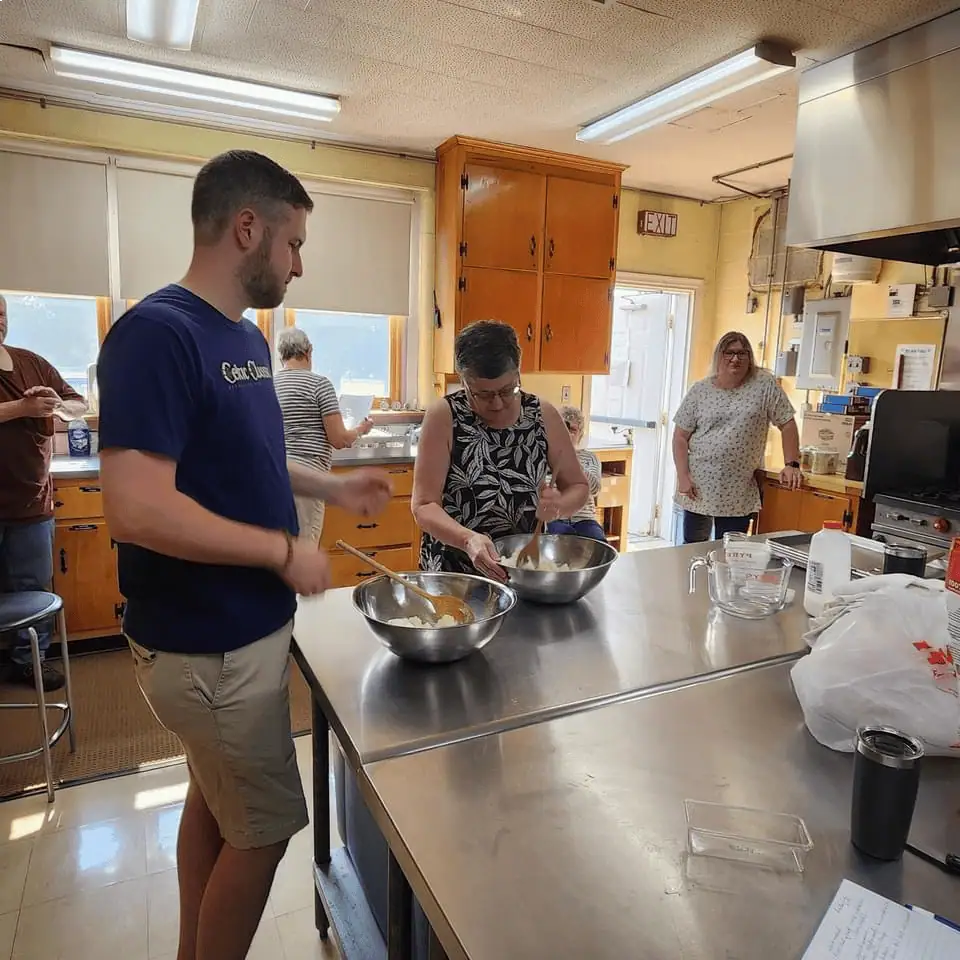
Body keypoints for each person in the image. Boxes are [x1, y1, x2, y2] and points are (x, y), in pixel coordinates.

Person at [97, 150, 392, 960]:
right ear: (247, 228)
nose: (299, 263)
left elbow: (248, 459)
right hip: (204, 646)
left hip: (241, 637)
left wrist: (331, 492)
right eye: (293, 243)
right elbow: (137, 508)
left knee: (214, 803)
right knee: (262, 834)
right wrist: (278, 550)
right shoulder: (156, 335)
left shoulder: (244, 340)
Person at [413, 320, 589, 580]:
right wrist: (467, 540)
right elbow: (424, 505)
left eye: (507, 390)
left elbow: (578, 486)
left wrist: (560, 505)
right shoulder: (445, 416)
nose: (496, 404)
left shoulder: (542, 415)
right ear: (463, 382)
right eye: (482, 394)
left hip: (523, 571)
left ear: (518, 374)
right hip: (455, 574)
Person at [0, 293, 87, 690]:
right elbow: (20, 410)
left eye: (2, 314)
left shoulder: (32, 362)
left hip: (32, 501)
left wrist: (56, 405)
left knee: (33, 587)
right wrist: (21, 408)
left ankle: (28, 662)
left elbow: (78, 406)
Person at [672, 330, 801, 544]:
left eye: (742, 353)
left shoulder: (764, 385)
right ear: (719, 357)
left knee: (732, 552)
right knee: (693, 548)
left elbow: (787, 423)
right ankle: (695, 578)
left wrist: (792, 464)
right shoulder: (700, 390)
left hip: (738, 489)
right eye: (729, 353)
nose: (735, 359)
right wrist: (683, 476)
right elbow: (679, 437)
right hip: (699, 485)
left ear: (750, 357)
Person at [274, 326, 373, 542]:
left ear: (281, 355)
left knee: (280, 551)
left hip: (274, 475)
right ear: (308, 351)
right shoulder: (319, 385)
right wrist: (360, 430)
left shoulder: (270, 384)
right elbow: (339, 439)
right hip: (307, 479)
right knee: (304, 550)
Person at [546, 405, 607, 543]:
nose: (568, 434)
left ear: (580, 434)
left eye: (573, 430)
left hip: (584, 520)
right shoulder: (545, 456)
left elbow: (595, 488)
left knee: (598, 542)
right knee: (562, 541)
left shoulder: (590, 458)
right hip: (555, 519)